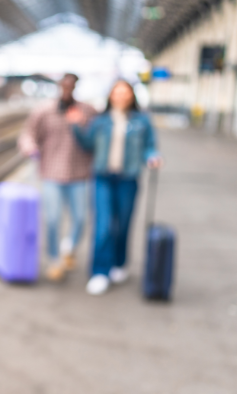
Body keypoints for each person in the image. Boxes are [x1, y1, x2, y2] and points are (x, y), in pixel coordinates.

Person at [67, 79, 162, 296]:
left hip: (128, 179)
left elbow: (150, 146)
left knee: (124, 224)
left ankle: (119, 262)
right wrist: (75, 125)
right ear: (110, 96)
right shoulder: (100, 121)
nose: (121, 96)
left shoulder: (142, 121)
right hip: (102, 178)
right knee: (103, 225)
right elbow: (87, 144)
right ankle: (100, 271)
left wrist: (153, 157)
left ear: (132, 96)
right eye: (116, 93)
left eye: (125, 93)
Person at [18, 73, 96, 281]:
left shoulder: (87, 111)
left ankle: (68, 248)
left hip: (79, 174)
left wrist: (81, 125)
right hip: (51, 172)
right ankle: (54, 259)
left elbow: (97, 136)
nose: (67, 89)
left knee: (80, 218)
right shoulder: (43, 111)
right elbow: (28, 134)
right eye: (64, 85)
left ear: (76, 87)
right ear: (59, 86)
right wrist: (30, 148)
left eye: (72, 85)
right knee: (52, 219)